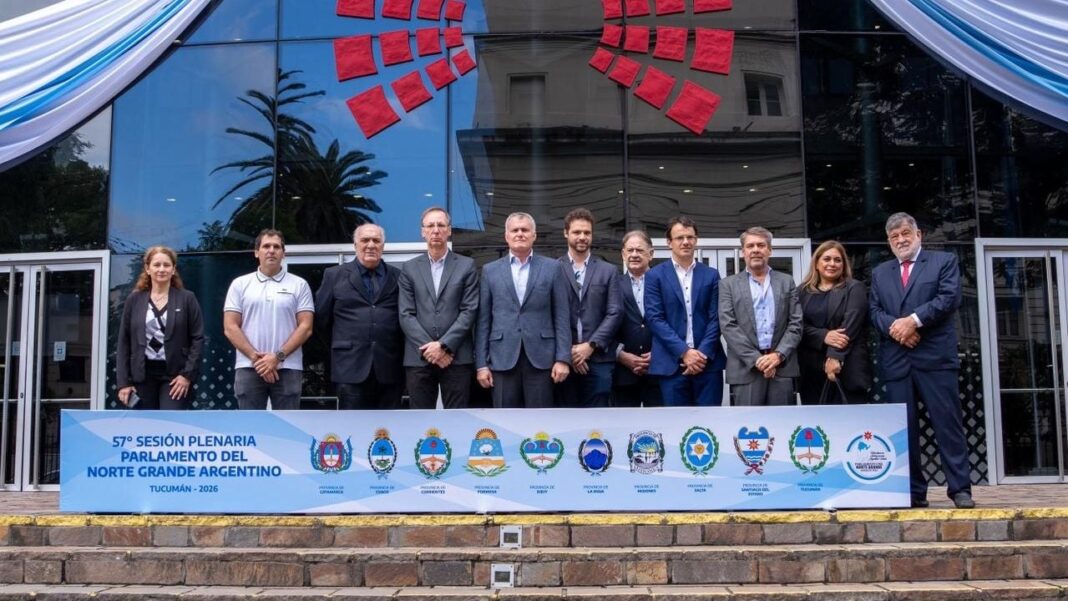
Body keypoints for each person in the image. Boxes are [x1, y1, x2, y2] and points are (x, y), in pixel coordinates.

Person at [870, 212, 973, 509]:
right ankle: (913, 491)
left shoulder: (943, 262)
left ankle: (960, 489)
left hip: (935, 359)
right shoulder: (881, 272)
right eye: (894, 237)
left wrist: (913, 321)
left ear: (919, 235)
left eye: (905, 233)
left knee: (947, 425)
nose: (901, 240)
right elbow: (874, 311)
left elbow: (948, 298)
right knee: (904, 430)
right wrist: (899, 329)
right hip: (898, 361)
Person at [475, 212, 571, 408]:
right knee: (505, 423)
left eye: (525, 230)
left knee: (540, 426)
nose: (520, 234)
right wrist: (481, 365)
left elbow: (561, 316)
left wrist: (563, 359)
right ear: (506, 236)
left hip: (542, 359)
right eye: (515, 230)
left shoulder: (553, 268)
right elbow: (483, 321)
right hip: (502, 358)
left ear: (534, 235)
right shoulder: (490, 270)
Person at [316, 223, 405, 410]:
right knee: (352, 431)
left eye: (376, 240)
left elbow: (405, 318)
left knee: (389, 432)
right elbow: (321, 320)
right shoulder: (334, 275)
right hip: (349, 368)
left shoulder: (399, 277)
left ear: (383, 246)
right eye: (365, 240)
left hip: (389, 368)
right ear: (355, 245)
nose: (371, 245)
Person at [224, 229, 314, 410]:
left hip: (288, 367)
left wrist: (277, 357)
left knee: (288, 431)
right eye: (266, 246)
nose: (271, 250)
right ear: (256, 252)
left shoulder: (299, 284)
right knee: (250, 430)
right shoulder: (240, 284)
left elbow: (306, 326)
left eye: (276, 247)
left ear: (283, 253)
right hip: (249, 366)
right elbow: (230, 326)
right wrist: (257, 359)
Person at [399, 207, 479, 409]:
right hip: (419, 357)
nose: (436, 230)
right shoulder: (409, 268)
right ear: (422, 231)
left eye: (441, 225)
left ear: (449, 230)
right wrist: (431, 349)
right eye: (430, 225)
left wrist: (443, 346)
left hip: (456, 356)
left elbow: (469, 311)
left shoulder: (467, 265)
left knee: (457, 421)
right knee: (420, 422)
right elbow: (406, 313)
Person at [645, 216, 726, 406]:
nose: (685, 242)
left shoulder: (711, 275)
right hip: (672, 365)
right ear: (669, 243)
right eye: (679, 237)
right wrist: (684, 352)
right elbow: (655, 319)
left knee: (711, 427)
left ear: (696, 240)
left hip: (707, 365)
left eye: (690, 237)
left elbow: (716, 318)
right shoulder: (654, 276)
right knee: (676, 428)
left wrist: (701, 354)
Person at [719, 226, 802, 406]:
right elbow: (728, 326)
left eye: (761, 245)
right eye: (750, 246)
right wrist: (756, 360)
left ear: (769, 250)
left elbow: (796, 323)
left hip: (782, 367)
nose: (756, 250)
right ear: (743, 252)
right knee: (748, 428)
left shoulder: (786, 281)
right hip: (745, 369)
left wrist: (777, 356)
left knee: (784, 427)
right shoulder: (728, 285)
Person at [116, 246, 204, 410]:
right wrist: (123, 383)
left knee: (171, 424)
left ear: (173, 269)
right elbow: (124, 342)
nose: (161, 269)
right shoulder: (134, 300)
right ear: (147, 269)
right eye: (157, 265)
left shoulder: (187, 299)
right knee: (144, 427)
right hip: (141, 376)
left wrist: (187, 375)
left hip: (174, 376)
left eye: (166, 265)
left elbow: (198, 339)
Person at [556, 208, 621, 408]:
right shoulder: (552, 268)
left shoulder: (608, 270)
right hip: (562, 360)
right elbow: (550, 315)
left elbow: (615, 312)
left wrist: (589, 346)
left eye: (587, 233)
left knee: (598, 426)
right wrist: (570, 352)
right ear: (566, 233)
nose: (582, 237)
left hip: (599, 359)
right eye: (577, 232)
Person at [797, 240, 872, 404]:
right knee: (816, 425)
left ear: (844, 265)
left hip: (846, 367)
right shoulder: (802, 292)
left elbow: (850, 325)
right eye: (827, 259)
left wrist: (834, 357)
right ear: (817, 263)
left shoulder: (854, 288)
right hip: (810, 370)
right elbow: (796, 326)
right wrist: (823, 335)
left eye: (838, 260)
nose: (832, 264)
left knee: (848, 425)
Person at [612, 230, 662, 407]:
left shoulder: (664, 283)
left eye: (639, 250)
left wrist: (658, 353)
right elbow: (603, 323)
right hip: (622, 374)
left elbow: (673, 321)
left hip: (659, 372)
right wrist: (620, 355)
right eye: (630, 250)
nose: (634, 255)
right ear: (623, 254)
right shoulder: (613, 284)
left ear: (651, 254)